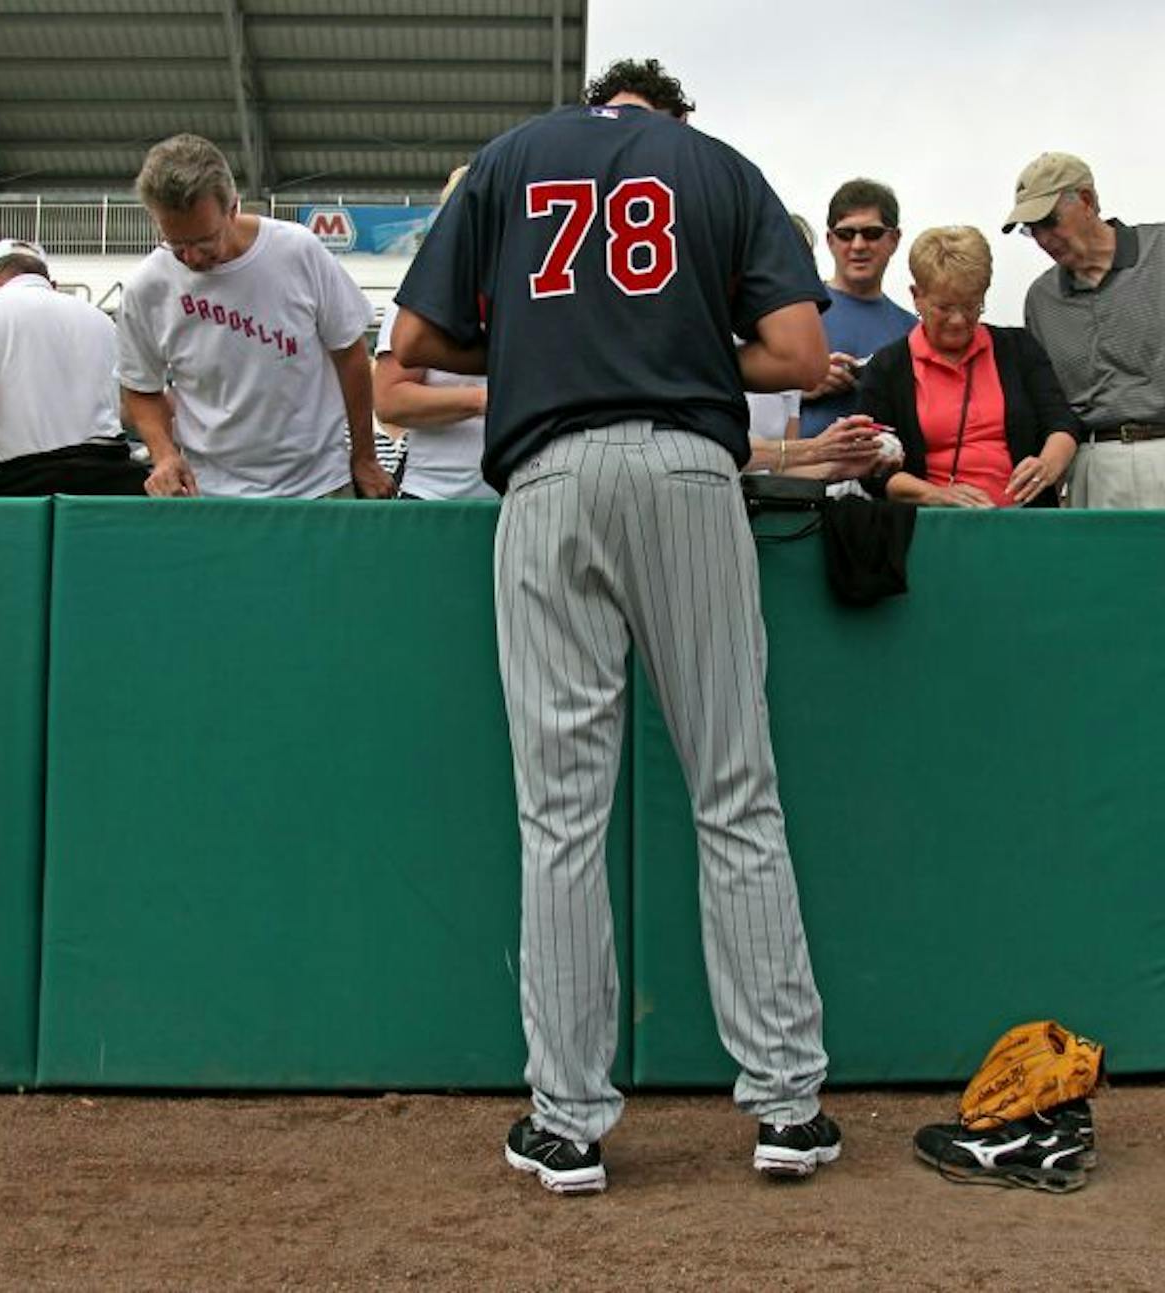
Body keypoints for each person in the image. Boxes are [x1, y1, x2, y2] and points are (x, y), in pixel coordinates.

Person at [392, 57, 839, 1195]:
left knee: (560, 817)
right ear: (672, 112)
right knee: (736, 793)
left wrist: (554, 342)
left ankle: (569, 1120)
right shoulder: (719, 165)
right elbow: (794, 357)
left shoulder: (510, 158)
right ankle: (787, 1108)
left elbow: (415, 345)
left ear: (599, 98)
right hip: (691, 470)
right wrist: (676, 343)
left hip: (545, 478)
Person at [115, 133, 391, 500]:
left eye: (204, 240)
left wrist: (364, 457)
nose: (193, 258)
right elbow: (140, 389)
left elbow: (350, 355)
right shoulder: (147, 287)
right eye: (176, 244)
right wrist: (164, 455)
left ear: (233, 208)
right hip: (212, 493)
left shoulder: (298, 252)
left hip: (319, 485)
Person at [1006, 152, 1165, 510]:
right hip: (1093, 467)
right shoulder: (1041, 299)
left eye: (1049, 220)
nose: (1044, 238)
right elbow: (1050, 404)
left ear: (1087, 201)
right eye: (1032, 230)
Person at [855, 226, 1079, 508]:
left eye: (972, 305)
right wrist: (935, 495)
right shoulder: (888, 368)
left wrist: (1047, 465)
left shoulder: (1020, 349)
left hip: (1024, 520)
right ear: (917, 296)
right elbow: (871, 467)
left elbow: (1061, 422)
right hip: (932, 527)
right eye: (944, 308)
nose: (959, 320)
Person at [0, 238, 145, 496]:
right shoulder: (102, 321)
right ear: (52, 284)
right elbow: (131, 406)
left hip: (19, 480)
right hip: (107, 473)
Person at [373, 168, 494, 500]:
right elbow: (388, 400)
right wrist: (484, 400)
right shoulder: (421, 293)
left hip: (521, 498)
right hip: (436, 495)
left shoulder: (532, 289)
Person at [798, 178, 918, 438]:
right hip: (800, 474)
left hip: (881, 472)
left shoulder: (913, 331)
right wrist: (801, 385)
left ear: (894, 239)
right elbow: (745, 392)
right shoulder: (796, 311)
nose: (858, 245)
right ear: (830, 240)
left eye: (872, 233)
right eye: (846, 234)